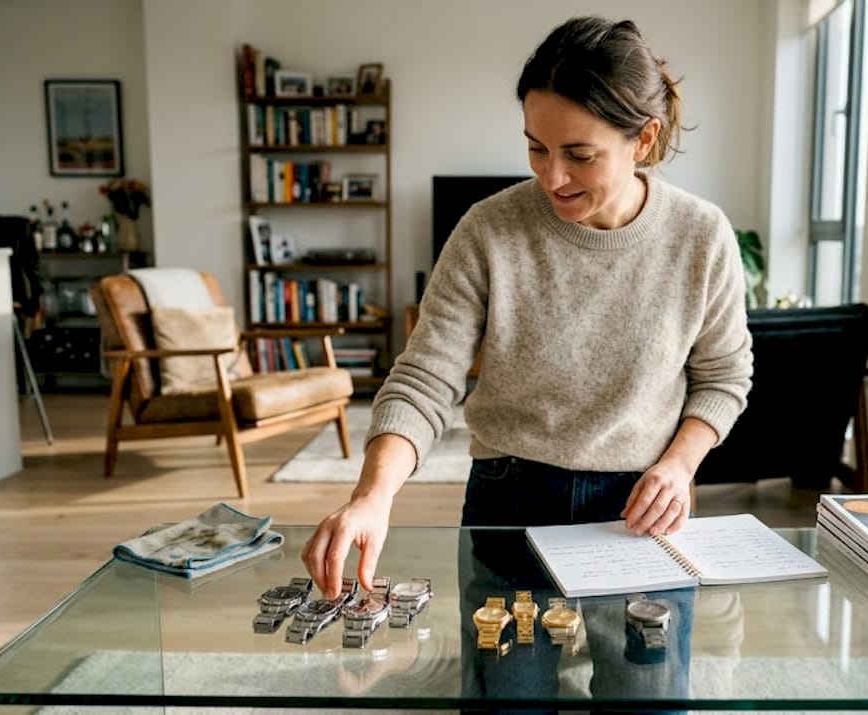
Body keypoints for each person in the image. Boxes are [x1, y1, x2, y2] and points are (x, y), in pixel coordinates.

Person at [302, 15, 752, 599]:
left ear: (643, 138)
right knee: (505, 693)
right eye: (536, 148)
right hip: (508, 494)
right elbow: (425, 380)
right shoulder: (488, 229)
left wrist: (679, 466)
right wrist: (372, 496)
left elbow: (723, 377)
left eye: (579, 155)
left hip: (643, 500)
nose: (552, 176)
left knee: (646, 693)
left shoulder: (701, 235)